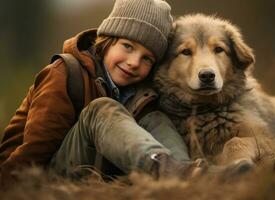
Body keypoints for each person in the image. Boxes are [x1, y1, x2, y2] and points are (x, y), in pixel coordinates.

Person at [0, 0, 200, 182]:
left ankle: (190, 175)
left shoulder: (141, 92)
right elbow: (35, 150)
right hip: (46, 175)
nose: (134, 63)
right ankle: (170, 172)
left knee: (155, 118)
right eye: (127, 46)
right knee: (101, 109)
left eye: (147, 58)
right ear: (107, 40)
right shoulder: (65, 73)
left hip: (104, 172)